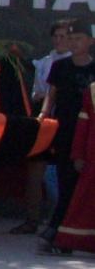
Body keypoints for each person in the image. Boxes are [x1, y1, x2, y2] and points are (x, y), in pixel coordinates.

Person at [13, 19, 74, 234]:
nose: (59, 40)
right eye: (56, 36)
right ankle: (32, 220)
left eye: (63, 36)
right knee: (35, 172)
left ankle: (63, 223)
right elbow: (39, 93)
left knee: (64, 175)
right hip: (44, 121)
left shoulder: (76, 64)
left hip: (67, 122)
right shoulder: (45, 62)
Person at [39, 20, 95, 255]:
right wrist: (43, 115)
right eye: (70, 39)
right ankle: (58, 234)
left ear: (90, 41)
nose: (73, 43)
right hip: (64, 134)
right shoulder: (60, 66)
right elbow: (51, 96)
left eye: (78, 39)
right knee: (66, 184)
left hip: (90, 137)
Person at [52, 74, 95, 253]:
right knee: (85, 203)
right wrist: (78, 154)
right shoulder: (92, 90)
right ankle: (72, 241)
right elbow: (83, 124)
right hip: (93, 158)